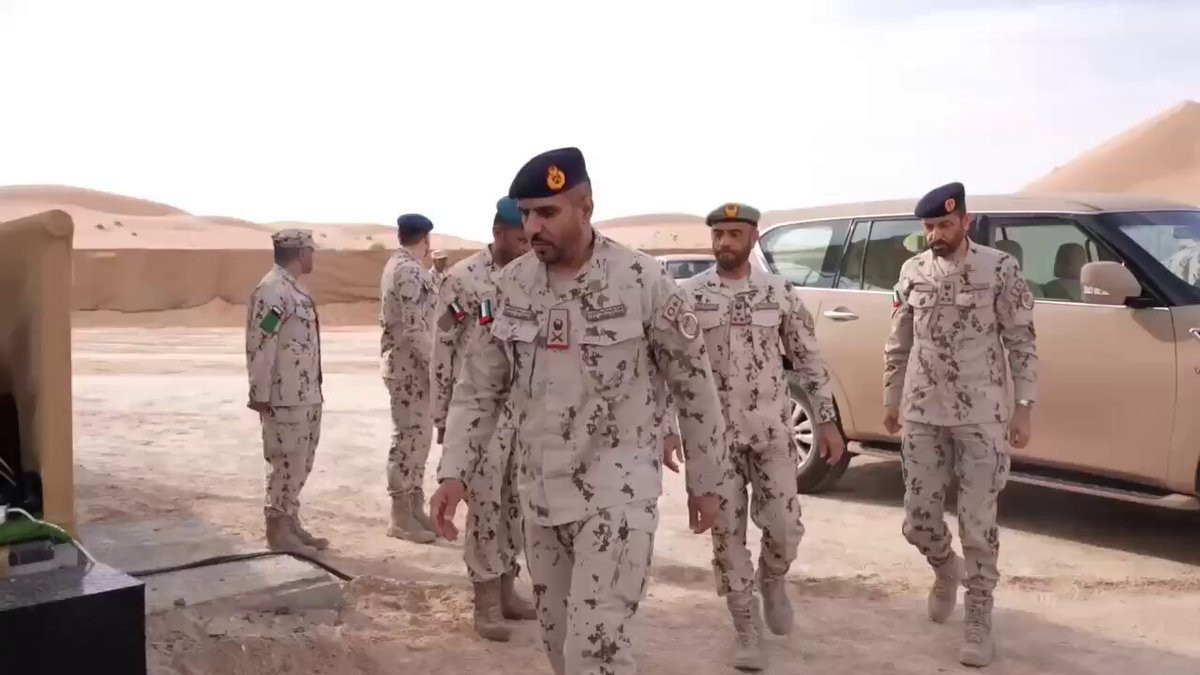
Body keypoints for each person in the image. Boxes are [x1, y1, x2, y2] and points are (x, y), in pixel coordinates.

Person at [429, 147, 730, 675]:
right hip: (540, 500)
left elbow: (694, 387)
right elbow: (478, 388)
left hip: (617, 496)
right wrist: (454, 471)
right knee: (559, 646)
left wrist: (706, 481)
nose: (533, 226)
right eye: (527, 214)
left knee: (596, 652)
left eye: (548, 212)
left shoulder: (641, 281)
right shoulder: (510, 286)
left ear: (585, 207)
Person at [680, 202, 845, 671]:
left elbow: (808, 358)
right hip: (716, 442)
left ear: (753, 238)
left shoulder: (779, 293)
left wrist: (827, 421)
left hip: (771, 433)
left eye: (734, 234)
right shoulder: (690, 296)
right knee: (726, 535)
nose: (724, 243)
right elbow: (672, 367)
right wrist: (668, 430)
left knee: (785, 527)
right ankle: (745, 625)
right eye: (718, 234)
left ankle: (772, 577)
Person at [883, 182, 1038, 668]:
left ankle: (978, 613)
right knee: (918, 520)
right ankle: (944, 567)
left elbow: (1021, 340)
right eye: (929, 227)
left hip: (981, 413)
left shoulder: (1000, 268)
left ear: (966, 222)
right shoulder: (912, 271)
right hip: (923, 409)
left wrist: (1024, 405)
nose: (936, 235)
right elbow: (898, 340)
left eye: (945, 225)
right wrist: (891, 398)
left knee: (977, 521)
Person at [430, 196, 535, 641]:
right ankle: (486, 599)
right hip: (479, 411)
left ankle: (509, 586)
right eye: (520, 239)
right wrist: (441, 414)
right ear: (498, 233)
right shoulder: (464, 280)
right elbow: (443, 346)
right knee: (487, 504)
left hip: (523, 412)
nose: (528, 246)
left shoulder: (535, 277)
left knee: (518, 504)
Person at [245, 228, 327, 556]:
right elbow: (262, 341)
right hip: (284, 396)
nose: (313, 256)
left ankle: (290, 520)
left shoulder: (293, 288)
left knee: (300, 461)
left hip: (304, 393)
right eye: (311, 251)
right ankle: (278, 529)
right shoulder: (273, 290)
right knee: (285, 461)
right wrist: (260, 393)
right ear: (300, 253)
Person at [379, 213, 439, 544]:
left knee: (418, 439)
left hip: (408, 368)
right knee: (408, 439)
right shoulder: (409, 271)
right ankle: (401, 516)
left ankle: (414, 508)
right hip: (411, 370)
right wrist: (437, 370)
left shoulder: (398, 266)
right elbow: (417, 329)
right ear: (426, 239)